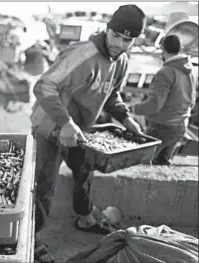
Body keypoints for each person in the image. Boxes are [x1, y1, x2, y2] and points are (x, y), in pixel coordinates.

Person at [30, 5, 146, 263]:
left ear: (134, 40)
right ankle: (33, 237)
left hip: (81, 131)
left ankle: (84, 217)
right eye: (116, 36)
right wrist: (65, 122)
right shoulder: (82, 54)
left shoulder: (122, 60)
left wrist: (126, 118)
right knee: (44, 185)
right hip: (50, 126)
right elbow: (44, 85)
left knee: (84, 173)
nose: (120, 43)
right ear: (108, 29)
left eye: (128, 39)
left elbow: (112, 94)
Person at [129, 35, 197, 165]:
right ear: (179, 49)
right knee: (162, 165)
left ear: (163, 49)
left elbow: (154, 106)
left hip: (161, 127)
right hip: (180, 127)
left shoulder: (165, 73)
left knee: (142, 164)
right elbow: (192, 102)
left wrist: (132, 108)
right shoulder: (189, 71)